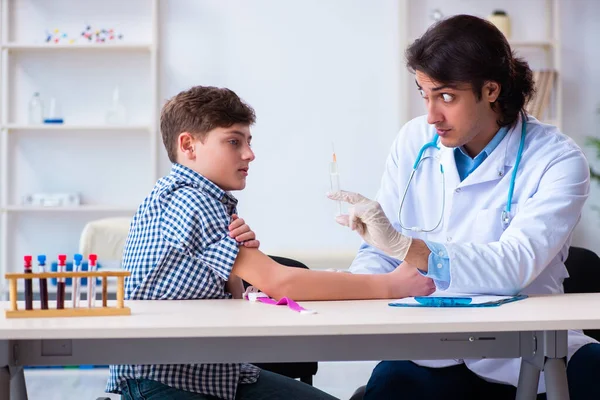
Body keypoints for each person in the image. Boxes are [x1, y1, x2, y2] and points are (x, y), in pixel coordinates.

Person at [328, 14, 600, 400]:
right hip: (427, 350)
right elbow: (380, 252)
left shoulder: (557, 161)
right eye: (425, 95)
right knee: (387, 387)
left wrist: (409, 249)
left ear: (490, 90)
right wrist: (359, 284)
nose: (431, 115)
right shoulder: (413, 141)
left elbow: (514, 264)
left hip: (522, 354)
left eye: (446, 97)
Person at [107, 86, 435, 400]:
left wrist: (238, 269)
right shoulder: (189, 199)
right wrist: (391, 285)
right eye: (234, 142)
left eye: (248, 141)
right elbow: (281, 282)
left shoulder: (201, 197)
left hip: (214, 374)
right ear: (189, 146)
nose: (249, 154)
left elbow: (233, 298)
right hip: (166, 380)